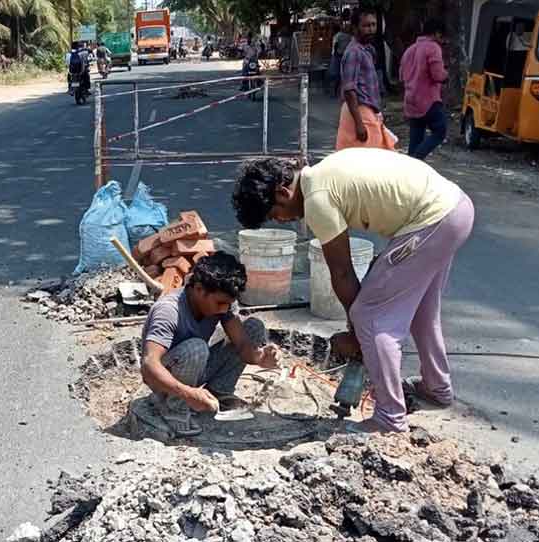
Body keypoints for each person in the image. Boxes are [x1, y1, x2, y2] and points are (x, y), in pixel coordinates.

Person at [232, 149, 474, 434]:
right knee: (422, 309)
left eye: (276, 214)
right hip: (454, 208)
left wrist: (357, 331)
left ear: (283, 192)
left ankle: (389, 417)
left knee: (371, 316)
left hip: (433, 220)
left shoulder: (317, 199)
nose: (282, 220)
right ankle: (436, 388)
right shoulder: (323, 172)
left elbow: (342, 271)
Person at [140, 252, 280, 436]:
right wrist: (188, 394)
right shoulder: (168, 311)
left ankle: (218, 392)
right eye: (220, 303)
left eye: (228, 304)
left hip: (196, 367)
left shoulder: (222, 302)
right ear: (198, 289)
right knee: (197, 348)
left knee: (253, 327)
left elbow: (242, 343)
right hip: (164, 378)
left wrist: (261, 358)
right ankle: (173, 407)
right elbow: (149, 366)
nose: (224, 309)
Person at [336, 8, 397, 151]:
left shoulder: (367, 50)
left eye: (373, 25)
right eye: (366, 26)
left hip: (368, 112)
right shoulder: (354, 52)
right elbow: (349, 90)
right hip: (359, 113)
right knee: (365, 165)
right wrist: (359, 124)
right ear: (355, 28)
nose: (371, 29)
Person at [400, 19, 448, 160]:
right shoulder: (433, 47)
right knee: (440, 130)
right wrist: (446, 76)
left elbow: (401, 75)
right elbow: (438, 75)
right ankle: (417, 159)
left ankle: (410, 168)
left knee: (416, 138)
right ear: (437, 33)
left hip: (410, 100)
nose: (443, 41)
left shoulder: (410, 49)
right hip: (428, 99)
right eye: (442, 36)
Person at [329, 20, 353, 97]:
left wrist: (336, 53)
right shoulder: (347, 36)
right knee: (341, 74)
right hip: (343, 55)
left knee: (335, 74)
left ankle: (335, 91)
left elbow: (336, 45)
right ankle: (338, 91)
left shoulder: (337, 36)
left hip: (337, 56)